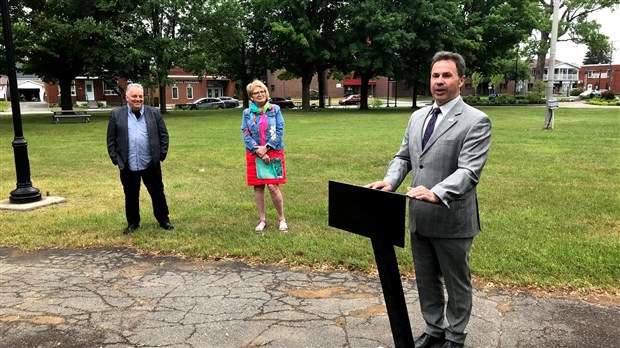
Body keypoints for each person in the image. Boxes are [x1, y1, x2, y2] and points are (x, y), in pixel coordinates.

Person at [367, 51, 491, 348]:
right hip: (418, 217)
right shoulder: (417, 117)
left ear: (461, 80)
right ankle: (434, 328)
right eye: (435, 75)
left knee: (456, 282)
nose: (439, 81)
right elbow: (404, 156)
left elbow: (469, 171)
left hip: (452, 218)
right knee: (426, 279)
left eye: (447, 75)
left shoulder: (476, 121)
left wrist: (437, 192)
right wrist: (390, 180)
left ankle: (455, 336)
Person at [107, 83, 174, 235]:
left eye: (140, 96)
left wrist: (161, 155)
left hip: (150, 162)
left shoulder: (154, 113)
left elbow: (164, 136)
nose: (137, 99)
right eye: (134, 96)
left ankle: (164, 219)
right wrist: (116, 159)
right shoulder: (116, 114)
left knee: (157, 193)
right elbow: (111, 140)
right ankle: (133, 222)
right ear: (127, 97)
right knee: (130, 194)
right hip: (128, 163)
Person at [241, 80, 288, 232]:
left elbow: (280, 130)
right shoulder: (247, 113)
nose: (260, 94)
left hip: (273, 150)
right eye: (256, 93)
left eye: (262, 91)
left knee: (273, 186)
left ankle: (281, 218)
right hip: (255, 153)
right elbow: (245, 133)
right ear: (251, 97)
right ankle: (262, 220)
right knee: (258, 187)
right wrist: (258, 151)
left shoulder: (275, 109)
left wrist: (267, 148)